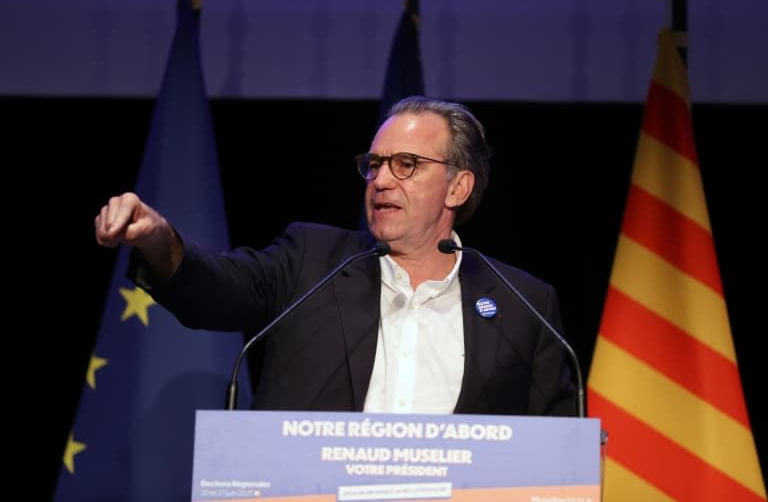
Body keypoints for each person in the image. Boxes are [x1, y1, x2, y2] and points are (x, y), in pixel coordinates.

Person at [94, 96, 577, 416]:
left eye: (406, 164)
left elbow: (555, 452)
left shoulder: (524, 308)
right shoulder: (312, 262)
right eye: (374, 165)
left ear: (458, 186)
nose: (382, 180)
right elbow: (215, 288)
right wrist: (157, 238)